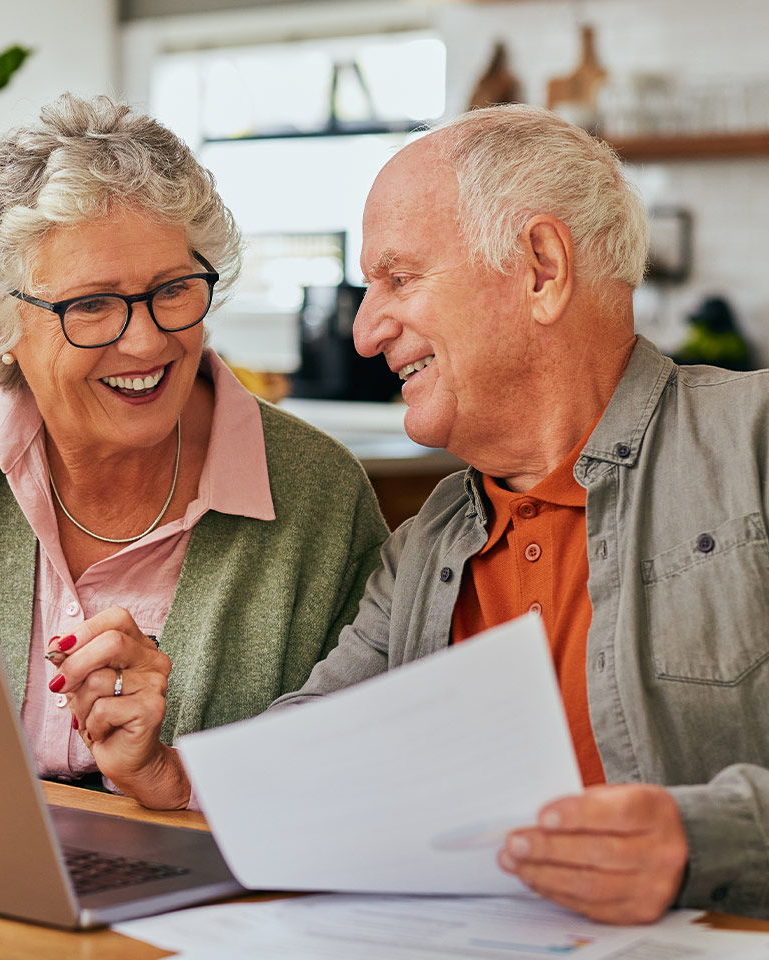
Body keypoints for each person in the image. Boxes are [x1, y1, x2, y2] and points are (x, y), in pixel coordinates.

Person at [55, 104, 768, 922]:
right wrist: (167, 772)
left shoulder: (752, 444)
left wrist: (696, 841)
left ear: (540, 268)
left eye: (398, 279)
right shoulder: (430, 540)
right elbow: (317, 747)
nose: (364, 331)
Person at [0, 94, 389, 806]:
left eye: (172, 289)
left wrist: (175, 775)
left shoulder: (316, 492)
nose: (145, 342)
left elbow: (367, 769)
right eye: (91, 305)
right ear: (2, 322)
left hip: (204, 902)